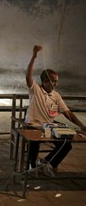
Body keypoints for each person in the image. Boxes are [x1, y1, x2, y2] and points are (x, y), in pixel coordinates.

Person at [25, 45, 86, 177]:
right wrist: (34, 56)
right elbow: (28, 76)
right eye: (54, 81)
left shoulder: (56, 95)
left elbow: (67, 113)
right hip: (33, 125)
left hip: (48, 127)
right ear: (46, 81)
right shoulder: (35, 90)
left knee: (66, 143)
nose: (56, 84)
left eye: (57, 81)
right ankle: (32, 165)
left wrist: (81, 126)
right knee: (34, 140)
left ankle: (47, 162)